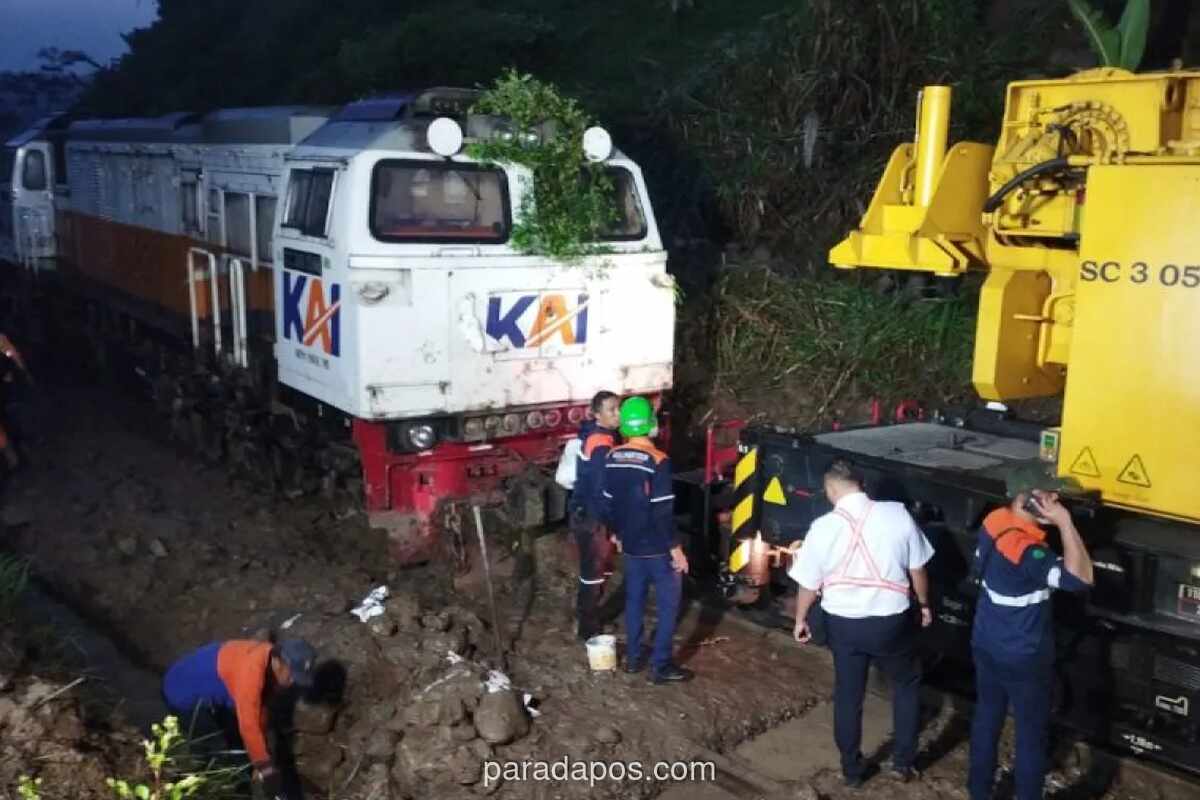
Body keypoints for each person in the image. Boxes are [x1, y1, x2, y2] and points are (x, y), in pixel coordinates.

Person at [789, 459, 934, 788]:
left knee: (848, 695)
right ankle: (902, 763)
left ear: (830, 490)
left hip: (843, 624)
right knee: (906, 683)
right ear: (862, 484)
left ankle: (852, 772)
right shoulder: (898, 515)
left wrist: (800, 619)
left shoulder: (822, 527)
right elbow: (918, 570)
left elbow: (808, 584)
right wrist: (924, 605)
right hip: (891, 621)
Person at [968, 465, 1093, 800]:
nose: (1057, 500)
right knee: (1031, 736)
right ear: (1027, 498)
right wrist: (1065, 523)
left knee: (987, 718)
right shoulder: (1027, 551)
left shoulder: (995, 520)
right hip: (1024, 655)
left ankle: (978, 792)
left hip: (986, 642)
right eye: (1050, 494)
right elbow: (1080, 579)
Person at [601, 396, 691, 684]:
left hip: (630, 545)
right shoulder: (658, 461)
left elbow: (609, 503)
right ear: (651, 424)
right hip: (658, 548)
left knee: (634, 601)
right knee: (668, 606)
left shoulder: (612, 457)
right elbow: (662, 512)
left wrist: (616, 534)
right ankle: (660, 666)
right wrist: (676, 550)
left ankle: (633, 658)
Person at [163, 638, 317, 797]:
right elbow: (249, 726)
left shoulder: (270, 660)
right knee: (216, 754)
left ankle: (243, 779)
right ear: (278, 662)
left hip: (216, 692)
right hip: (182, 693)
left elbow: (261, 709)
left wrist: (263, 754)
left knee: (238, 744)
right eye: (291, 677)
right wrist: (265, 769)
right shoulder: (251, 672)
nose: (291, 683)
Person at [570, 390, 621, 641]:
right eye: (611, 410)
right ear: (597, 414)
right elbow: (603, 491)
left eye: (618, 408)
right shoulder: (600, 444)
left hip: (590, 514)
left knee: (599, 570)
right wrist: (613, 526)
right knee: (593, 574)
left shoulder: (601, 436)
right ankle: (587, 630)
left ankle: (588, 616)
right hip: (593, 518)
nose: (617, 414)